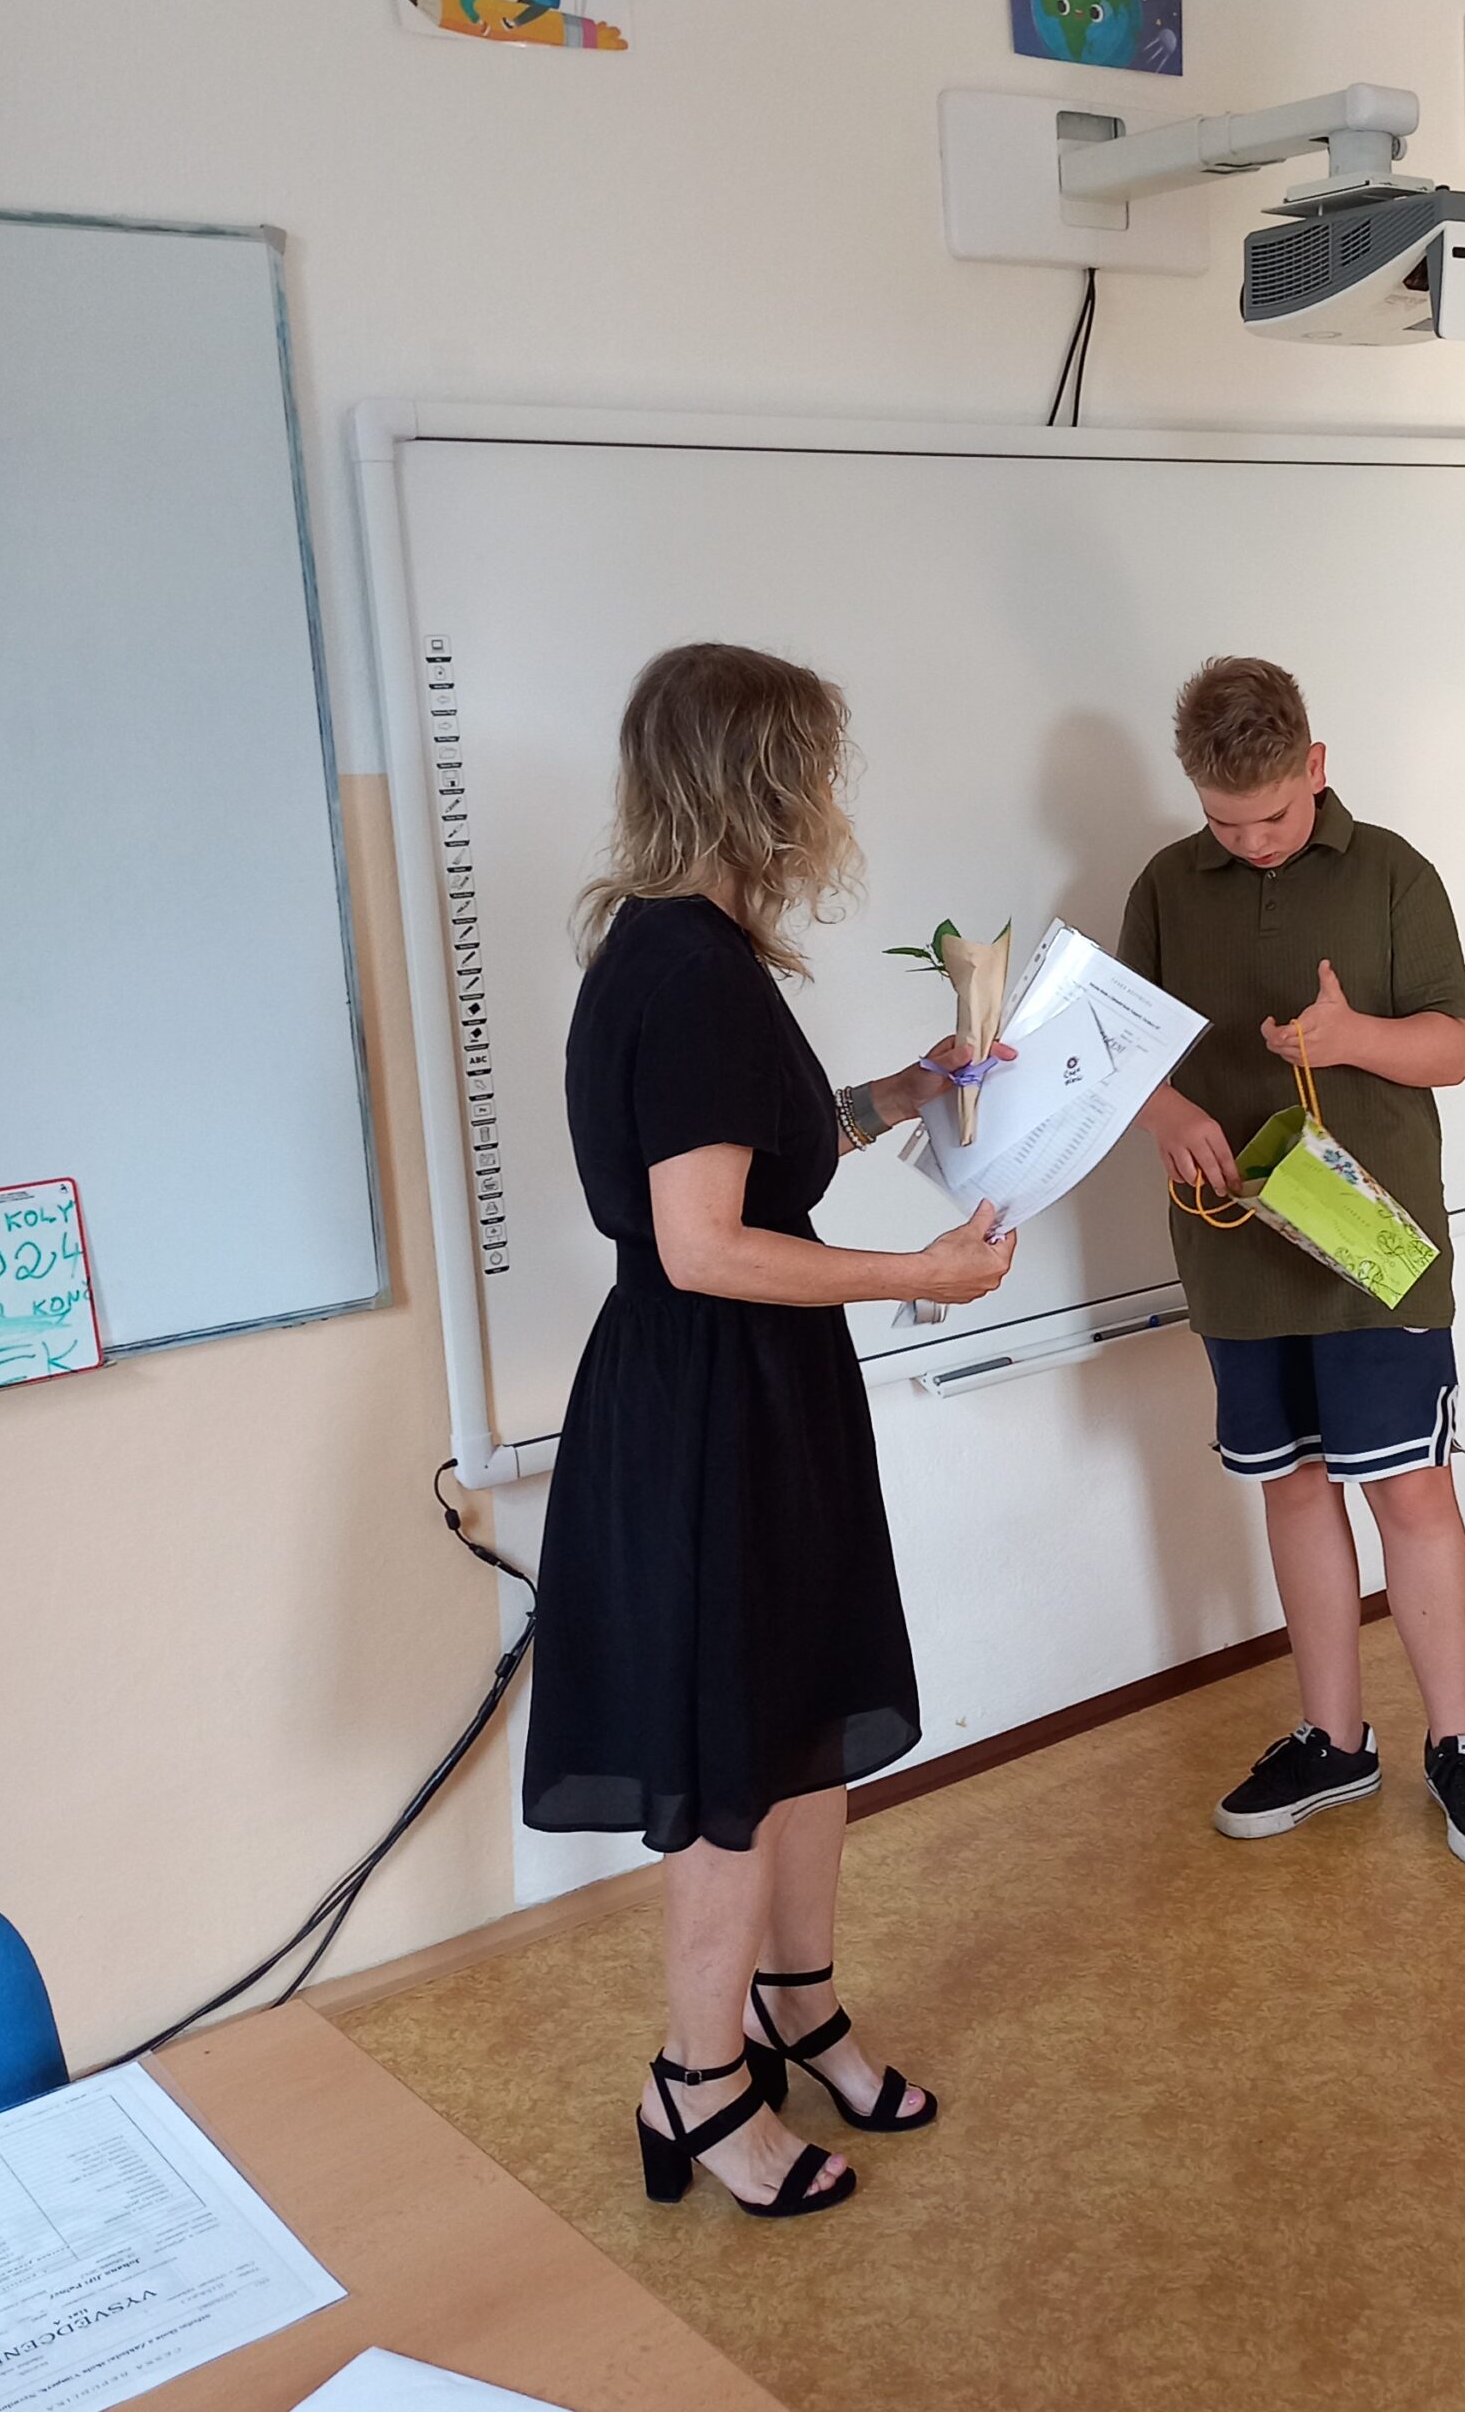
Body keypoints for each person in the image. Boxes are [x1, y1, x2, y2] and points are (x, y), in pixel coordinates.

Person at [524, 642, 1016, 2221]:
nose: (828, 798)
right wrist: (921, 1276)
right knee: (737, 1759)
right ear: (760, 785)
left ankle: (800, 2008)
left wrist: (914, 1085)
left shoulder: (698, 959)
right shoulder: (686, 975)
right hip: (709, 1405)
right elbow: (703, 1244)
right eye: (812, 766)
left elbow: (772, 1155)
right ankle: (696, 2083)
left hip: (758, 1395)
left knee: (799, 1718)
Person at [1117, 657, 1465, 1871]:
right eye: (1223, 822)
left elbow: (1453, 1049)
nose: (1249, 842)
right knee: (1294, 1485)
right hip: (1237, 1246)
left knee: (1409, 1490)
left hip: (1373, 1251)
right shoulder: (1161, 885)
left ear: (1316, 766)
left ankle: (1457, 1743)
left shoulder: (1395, 872)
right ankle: (1334, 1741)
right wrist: (1165, 1112)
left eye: (1273, 816)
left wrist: (1352, 1037)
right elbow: (1119, 1052)